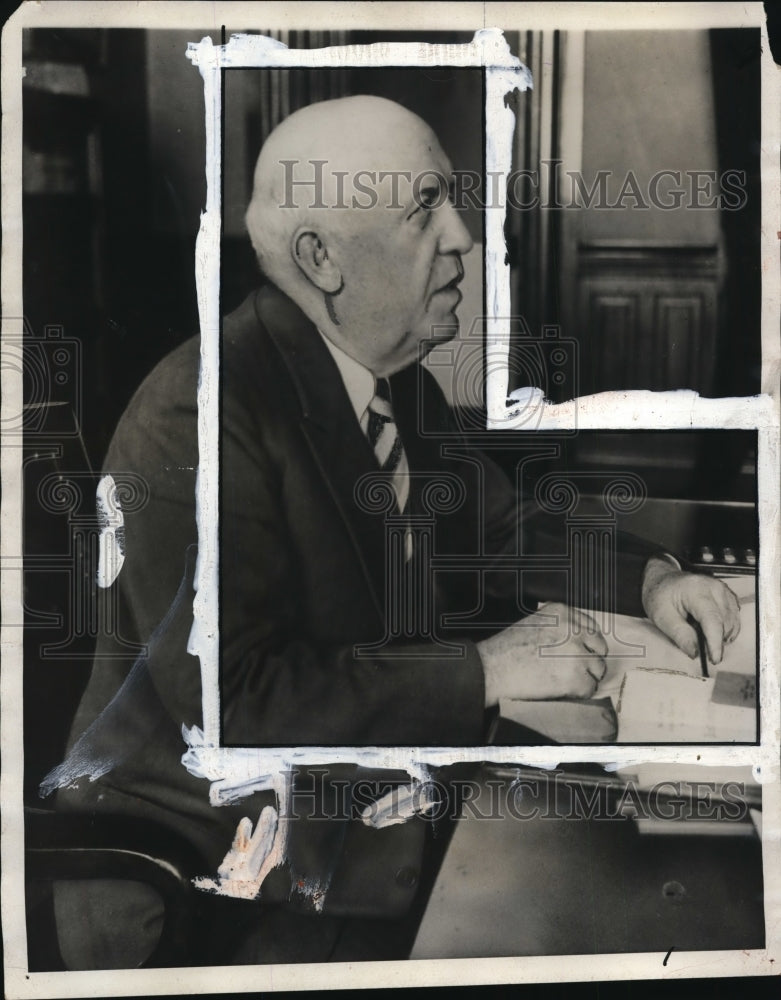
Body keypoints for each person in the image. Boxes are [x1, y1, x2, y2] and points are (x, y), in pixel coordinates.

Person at [51, 95, 740, 968]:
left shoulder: (379, 372)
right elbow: (237, 701)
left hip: (372, 791)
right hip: (227, 868)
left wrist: (650, 581)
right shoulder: (200, 412)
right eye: (425, 209)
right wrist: (484, 671)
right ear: (320, 259)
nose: (463, 237)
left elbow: (501, 525)